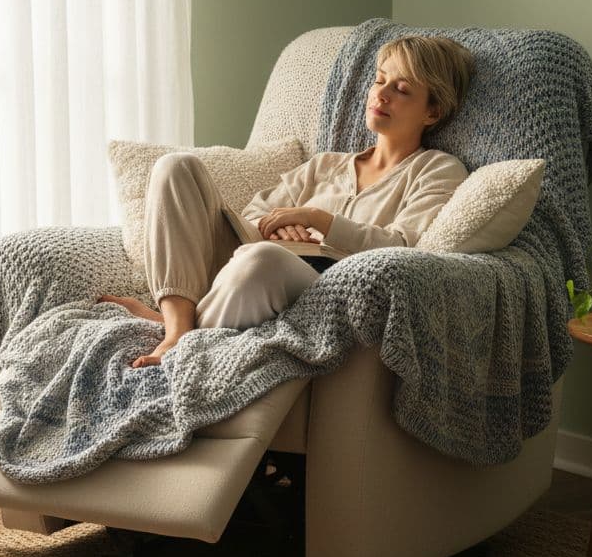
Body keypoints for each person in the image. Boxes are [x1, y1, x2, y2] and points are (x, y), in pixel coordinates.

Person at [103, 35, 475, 368]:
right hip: (247, 260)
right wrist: (283, 224)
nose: (381, 94)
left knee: (262, 258)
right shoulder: (325, 164)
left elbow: (404, 246)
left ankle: (170, 325)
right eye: (379, 80)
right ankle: (179, 328)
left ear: (432, 112)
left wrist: (318, 218)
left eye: (402, 89)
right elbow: (255, 215)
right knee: (175, 167)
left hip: (314, 284)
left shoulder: (437, 170)